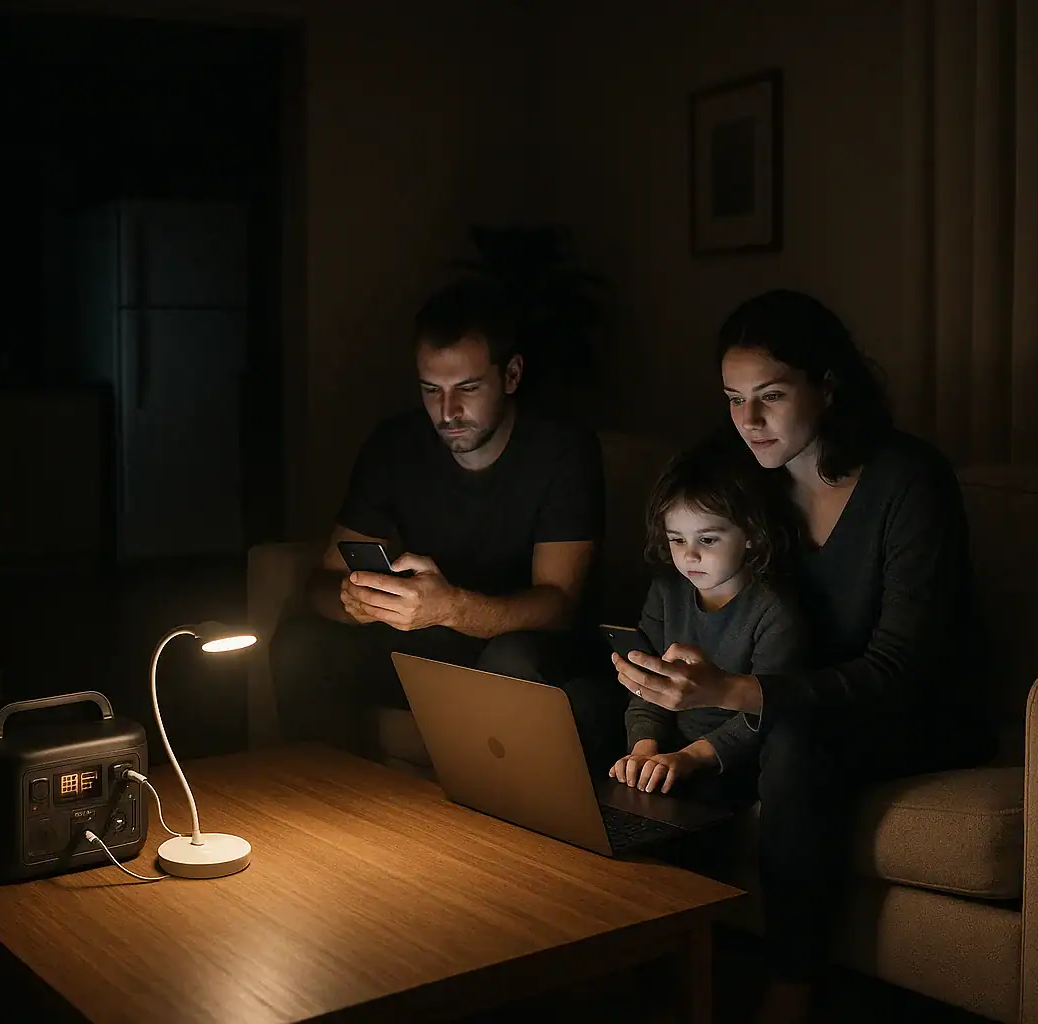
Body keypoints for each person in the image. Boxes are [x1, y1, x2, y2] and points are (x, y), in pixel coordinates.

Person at [611, 290, 995, 1024]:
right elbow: (695, 586)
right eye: (732, 399)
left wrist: (732, 692)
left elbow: (896, 674)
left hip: (909, 710)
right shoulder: (746, 480)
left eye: (771, 397)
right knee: (646, 735)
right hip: (779, 694)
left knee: (791, 742)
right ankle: (657, 959)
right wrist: (669, 684)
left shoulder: (909, 483)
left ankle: (791, 987)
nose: (748, 421)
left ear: (827, 385)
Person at [269, 279, 620, 770]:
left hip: (518, 642)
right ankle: (329, 804)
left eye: (468, 389)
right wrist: (354, 600)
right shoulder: (396, 445)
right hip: (423, 642)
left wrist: (450, 608)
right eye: (431, 390)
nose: (448, 412)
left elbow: (558, 605)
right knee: (301, 645)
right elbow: (321, 584)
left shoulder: (562, 452)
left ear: (512, 374)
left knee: (511, 664)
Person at [610, 445, 805, 805]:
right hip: (670, 747)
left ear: (751, 534)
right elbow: (647, 685)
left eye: (708, 539)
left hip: (729, 762)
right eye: (677, 540)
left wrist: (690, 758)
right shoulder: (667, 590)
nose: (689, 555)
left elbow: (765, 715)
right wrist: (643, 750)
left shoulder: (774, 613)